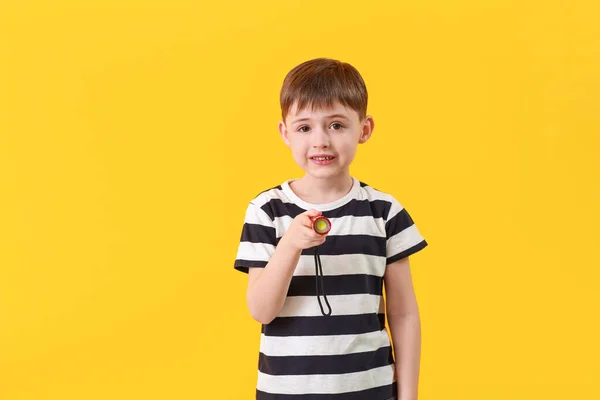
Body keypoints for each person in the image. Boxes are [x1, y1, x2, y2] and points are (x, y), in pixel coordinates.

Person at [233, 57, 428, 400]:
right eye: (305, 127)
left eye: (336, 125)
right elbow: (261, 310)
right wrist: (290, 245)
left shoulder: (383, 212)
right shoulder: (267, 211)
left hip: (370, 390)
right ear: (285, 133)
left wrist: (408, 395)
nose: (320, 140)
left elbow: (404, 313)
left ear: (364, 129)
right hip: (286, 393)